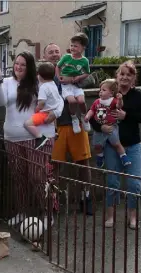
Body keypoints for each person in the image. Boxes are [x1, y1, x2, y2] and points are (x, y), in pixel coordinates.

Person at [0, 51, 60, 244]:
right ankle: (23, 212)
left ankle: (47, 214)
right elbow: (0, 102)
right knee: (18, 177)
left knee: (38, 177)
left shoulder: (39, 84)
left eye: (23, 65)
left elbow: (56, 104)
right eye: (16, 64)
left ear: (30, 68)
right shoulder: (7, 83)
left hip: (36, 138)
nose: (18, 67)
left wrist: (52, 117)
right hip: (12, 138)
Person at [89, 61, 141, 229]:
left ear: (134, 78)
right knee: (112, 182)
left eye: (129, 74)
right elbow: (93, 116)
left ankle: (133, 216)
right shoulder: (107, 94)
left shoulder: (138, 96)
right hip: (111, 146)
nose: (125, 77)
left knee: (134, 184)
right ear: (117, 76)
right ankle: (110, 216)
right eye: (122, 74)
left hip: (133, 145)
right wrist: (101, 127)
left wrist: (125, 115)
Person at [45, 43, 93, 215]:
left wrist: (74, 79)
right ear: (45, 56)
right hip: (56, 126)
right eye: (50, 52)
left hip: (76, 125)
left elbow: (91, 79)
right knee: (54, 165)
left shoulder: (71, 65)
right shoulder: (44, 76)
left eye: (57, 51)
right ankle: (53, 200)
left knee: (83, 162)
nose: (54, 54)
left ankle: (85, 197)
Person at [84, 79, 131, 167]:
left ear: (111, 93)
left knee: (116, 143)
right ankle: (100, 156)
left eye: (104, 90)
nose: (101, 92)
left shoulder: (113, 101)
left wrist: (120, 99)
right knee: (97, 145)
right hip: (99, 129)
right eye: (100, 90)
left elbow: (119, 106)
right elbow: (92, 110)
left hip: (111, 126)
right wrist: (87, 116)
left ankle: (124, 157)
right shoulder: (97, 102)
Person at [55, 33, 91, 134]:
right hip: (66, 86)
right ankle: (74, 118)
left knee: (81, 101)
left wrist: (79, 77)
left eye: (75, 46)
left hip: (76, 85)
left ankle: (84, 116)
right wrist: (58, 77)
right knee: (72, 102)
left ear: (83, 48)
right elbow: (58, 67)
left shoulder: (84, 61)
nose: (72, 48)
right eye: (71, 45)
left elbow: (87, 73)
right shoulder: (66, 57)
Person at [24, 62, 64, 150]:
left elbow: (41, 103)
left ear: (40, 76)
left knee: (27, 124)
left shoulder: (43, 87)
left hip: (44, 114)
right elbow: (58, 98)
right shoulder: (53, 84)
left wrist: (37, 109)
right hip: (52, 112)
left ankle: (40, 137)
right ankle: (55, 132)